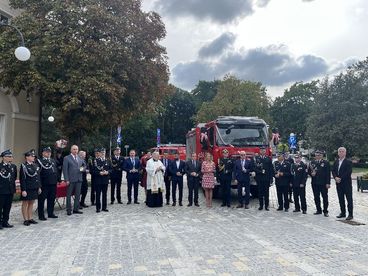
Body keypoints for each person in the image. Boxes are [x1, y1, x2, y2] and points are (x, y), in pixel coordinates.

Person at [20, 150, 41, 226]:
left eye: (34, 156)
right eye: (32, 156)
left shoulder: (35, 165)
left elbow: (38, 177)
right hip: (27, 188)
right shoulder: (23, 166)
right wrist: (23, 190)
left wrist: (39, 187)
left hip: (34, 187)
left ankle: (30, 218)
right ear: (27, 157)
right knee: (25, 203)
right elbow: (22, 179)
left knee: (31, 203)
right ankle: (25, 219)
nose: (33, 157)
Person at [37, 147, 58, 220]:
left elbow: (56, 170)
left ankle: (50, 213)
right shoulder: (39, 161)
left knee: (51, 199)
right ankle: (41, 215)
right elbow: (38, 174)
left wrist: (57, 180)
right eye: (46, 152)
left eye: (49, 152)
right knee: (42, 200)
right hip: (44, 184)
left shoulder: (52, 160)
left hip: (53, 183)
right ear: (43, 153)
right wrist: (39, 185)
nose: (48, 153)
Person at [332, 147, 353, 220]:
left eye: (342, 151)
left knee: (349, 199)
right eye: (340, 151)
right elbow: (333, 170)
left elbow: (348, 172)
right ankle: (343, 212)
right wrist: (335, 177)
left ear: (345, 153)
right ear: (338, 153)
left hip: (346, 183)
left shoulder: (348, 162)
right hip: (338, 184)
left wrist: (340, 178)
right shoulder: (336, 161)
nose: (341, 153)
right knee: (341, 199)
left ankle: (350, 214)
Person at [63, 145, 84, 216]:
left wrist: (81, 169)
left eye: (76, 149)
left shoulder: (79, 158)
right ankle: (69, 210)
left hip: (79, 179)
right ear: (71, 150)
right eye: (74, 149)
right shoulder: (66, 158)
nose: (75, 151)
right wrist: (66, 179)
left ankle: (76, 209)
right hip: (70, 180)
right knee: (68, 195)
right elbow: (65, 170)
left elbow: (84, 166)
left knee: (78, 195)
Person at [309, 150, 331, 217]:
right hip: (315, 183)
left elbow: (328, 173)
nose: (317, 156)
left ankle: (325, 211)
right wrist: (311, 174)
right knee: (316, 197)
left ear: (322, 155)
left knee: (325, 197)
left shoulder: (326, 162)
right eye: (316, 155)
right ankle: (318, 210)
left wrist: (328, 183)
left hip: (323, 183)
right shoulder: (312, 162)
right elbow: (309, 171)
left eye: (319, 155)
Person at [0, 150, 17, 229]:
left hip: (10, 191)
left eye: (11, 156)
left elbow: (14, 178)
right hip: (2, 191)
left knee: (7, 207)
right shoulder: (0, 166)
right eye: (9, 156)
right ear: (3, 157)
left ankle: (5, 222)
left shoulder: (13, 167)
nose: (11, 158)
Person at [92, 148, 111, 213]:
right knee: (98, 194)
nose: (103, 153)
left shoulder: (108, 160)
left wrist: (107, 172)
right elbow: (93, 171)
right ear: (99, 153)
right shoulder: (95, 161)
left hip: (105, 180)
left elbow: (111, 169)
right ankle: (98, 208)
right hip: (98, 180)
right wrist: (99, 173)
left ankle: (104, 207)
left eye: (104, 152)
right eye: (101, 152)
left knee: (104, 194)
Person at [254, 146, 273, 211]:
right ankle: (261, 205)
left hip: (266, 179)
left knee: (266, 193)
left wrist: (271, 178)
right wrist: (260, 172)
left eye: (264, 150)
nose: (263, 151)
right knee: (260, 193)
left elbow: (271, 169)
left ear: (265, 151)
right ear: (260, 151)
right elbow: (255, 168)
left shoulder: (268, 158)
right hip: (259, 178)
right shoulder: (257, 158)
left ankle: (266, 206)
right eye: (261, 150)